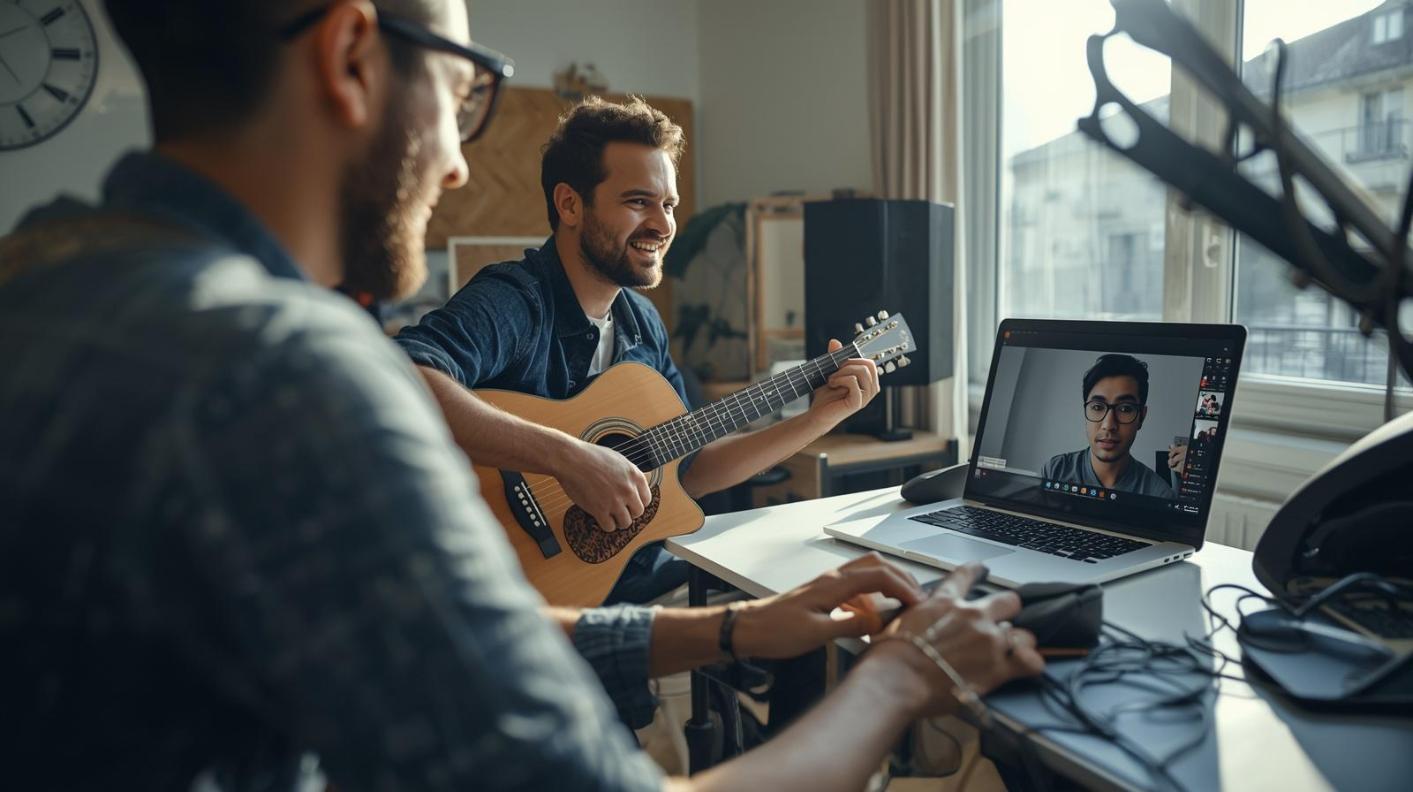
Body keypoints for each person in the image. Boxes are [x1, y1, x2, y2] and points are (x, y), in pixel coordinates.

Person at [0, 1, 1043, 790]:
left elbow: (452, 619)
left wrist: (735, 629)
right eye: (464, 98)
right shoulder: (282, 370)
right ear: (350, 56)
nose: (457, 166)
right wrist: (906, 677)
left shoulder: (42, 273)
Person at [395, 97, 881, 604]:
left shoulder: (642, 323)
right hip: (492, 588)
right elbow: (404, 377)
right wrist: (570, 459)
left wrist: (817, 419)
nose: (663, 225)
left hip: (616, 585)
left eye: (668, 204)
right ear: (569, 205)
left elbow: (689, 469)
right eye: (637, 201)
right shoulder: (517, 300)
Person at [1042, 354, 1179, 497]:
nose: (1108, 425)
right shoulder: (1055, 471)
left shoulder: (1159, 495)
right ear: (1085, 411)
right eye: (1097, 407)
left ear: (1141, 417)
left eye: (1125, 409)